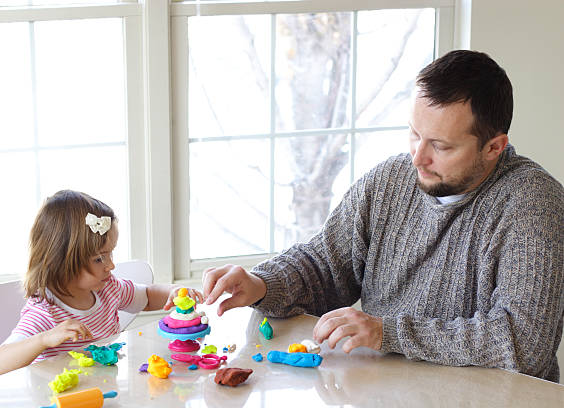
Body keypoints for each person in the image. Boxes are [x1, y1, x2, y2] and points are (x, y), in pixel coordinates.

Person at [202, 50, 564, 382]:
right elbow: (326, 265)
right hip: (386, 389)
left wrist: (387, 333)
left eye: (440, 145)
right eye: (414, 133)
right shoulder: (389, 181)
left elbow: (524, 345)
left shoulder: (534, 204)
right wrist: (261, 283)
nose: (418, 157)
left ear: (493, 147)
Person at [0, 190, 203, 376]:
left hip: (106, 391)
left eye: (110, 254)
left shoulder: (108, 288)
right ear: (63, 261)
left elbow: (147, 296)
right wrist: (44, 339)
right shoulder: (46, 311)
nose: (110, 265)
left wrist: (174, 293)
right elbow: (0, 364)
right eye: (99, 258)